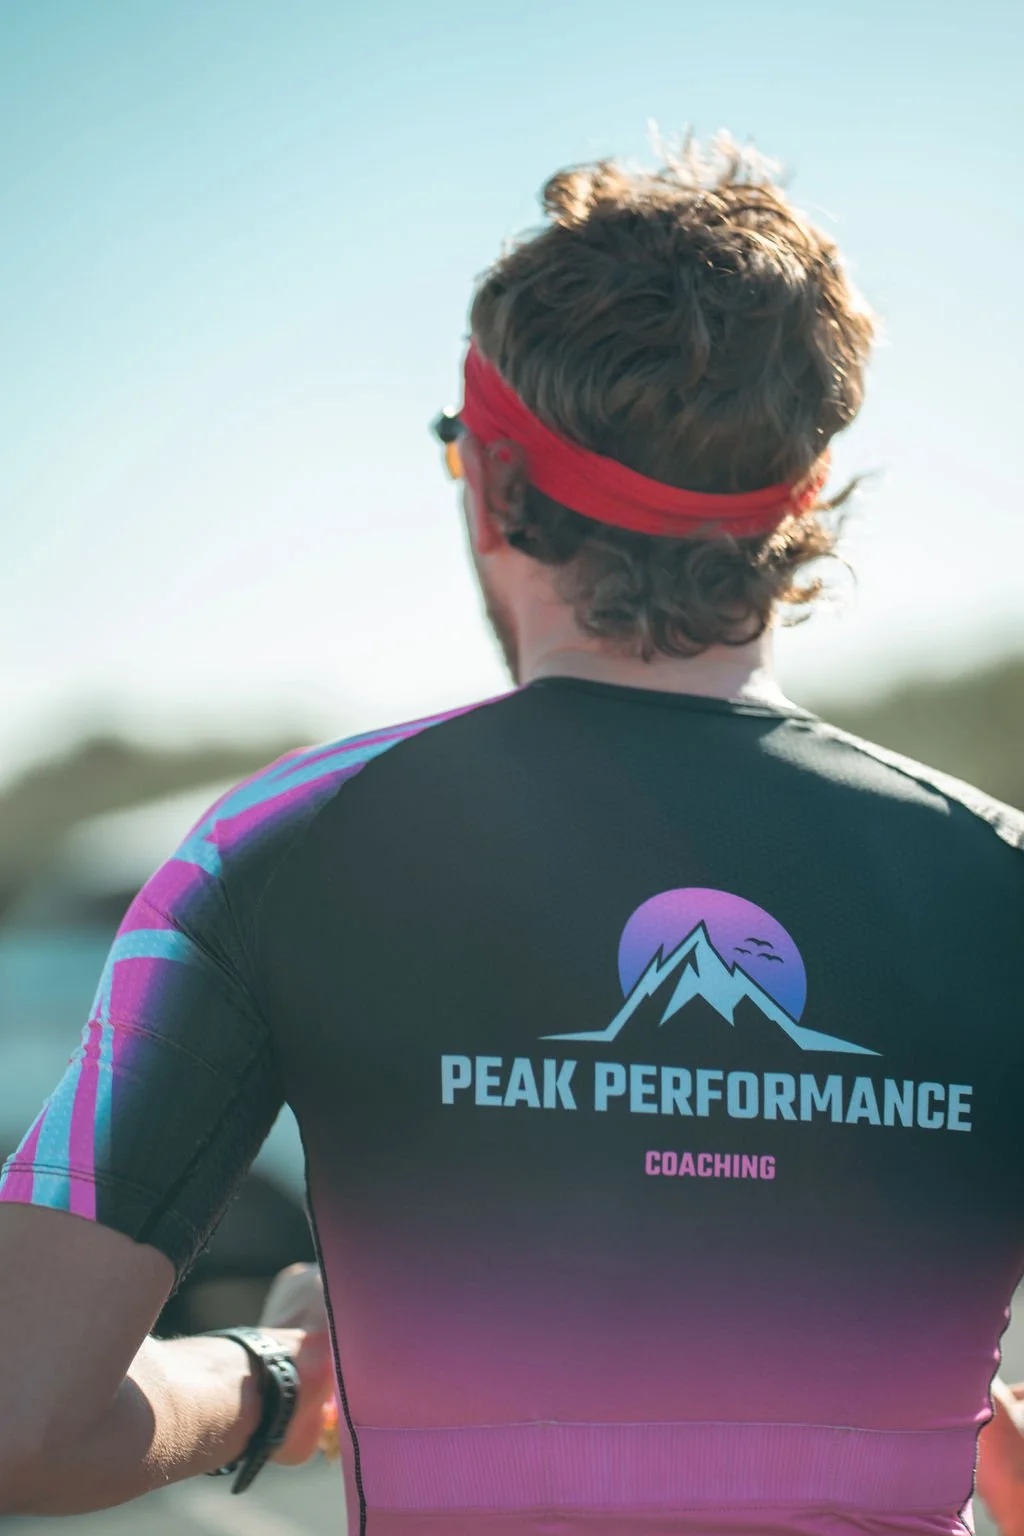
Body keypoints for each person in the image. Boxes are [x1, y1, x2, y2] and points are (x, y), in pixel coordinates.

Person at [0, 132, 1020, 1536]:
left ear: (488, 478)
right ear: (805, 503)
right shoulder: (997, 881)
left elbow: (25, 1418)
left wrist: (284, 1383)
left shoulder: (283, 848)